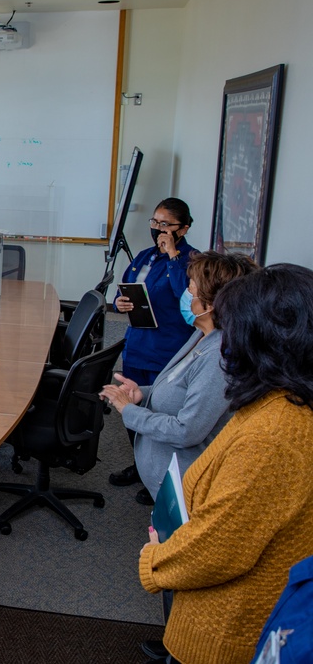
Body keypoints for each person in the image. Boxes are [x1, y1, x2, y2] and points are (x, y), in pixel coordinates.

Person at [138, 263, 313, 664]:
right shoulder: (279, 401)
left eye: (231, 330)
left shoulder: (274, 437)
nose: (224, 342)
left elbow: (217, 550)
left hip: (224, 631)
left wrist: (156, 557)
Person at [100, 251, 258, 506]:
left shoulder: (220, 359)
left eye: (190, 288)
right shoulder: (204, 334)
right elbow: (180, 385)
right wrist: (144, 392)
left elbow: (186, 431)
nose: (185, 294)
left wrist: (129, 411)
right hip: (165, 480)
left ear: (211, 304)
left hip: (185, 487)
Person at [109, 198, 198, 490]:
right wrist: (118, 302)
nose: (158, 228)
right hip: (137, 344)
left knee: (160, 412)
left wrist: (173, 256)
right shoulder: (144, 256)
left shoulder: (192, 262)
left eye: (165, 224)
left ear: (182, 229)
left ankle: (160, 476)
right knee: (130, 406)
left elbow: (184, 297)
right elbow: (125, 287)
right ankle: (140, 464)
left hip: (167, 349)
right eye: (155, 222)